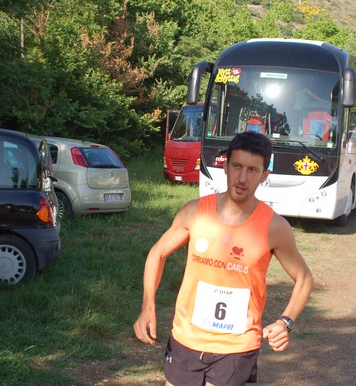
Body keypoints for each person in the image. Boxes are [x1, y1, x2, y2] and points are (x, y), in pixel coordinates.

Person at [134, 131, 313, 386]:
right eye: (237, 166)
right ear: (225, 166)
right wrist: (147, 305)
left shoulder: (274, 227)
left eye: (252, 170)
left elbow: (304, 277)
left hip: (237, 346)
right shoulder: (194, 212)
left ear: (264, 176)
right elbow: (157, 253)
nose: (242, 178)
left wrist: (286, 321)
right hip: (186, 338)